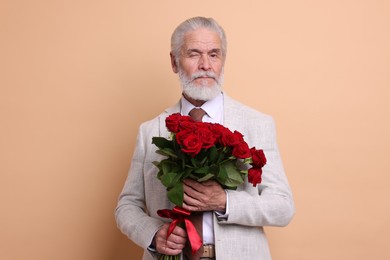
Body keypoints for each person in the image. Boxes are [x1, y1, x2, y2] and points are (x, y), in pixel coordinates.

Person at [115, 16, 295, 260]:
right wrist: (153, 234)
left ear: (223, 61)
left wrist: (225, 202)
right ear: (174, 62)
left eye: (213, 54)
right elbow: (127, 206)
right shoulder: (151, 131)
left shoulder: (257, 124)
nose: (205, 65)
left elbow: (282, 206)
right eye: (193, 54)